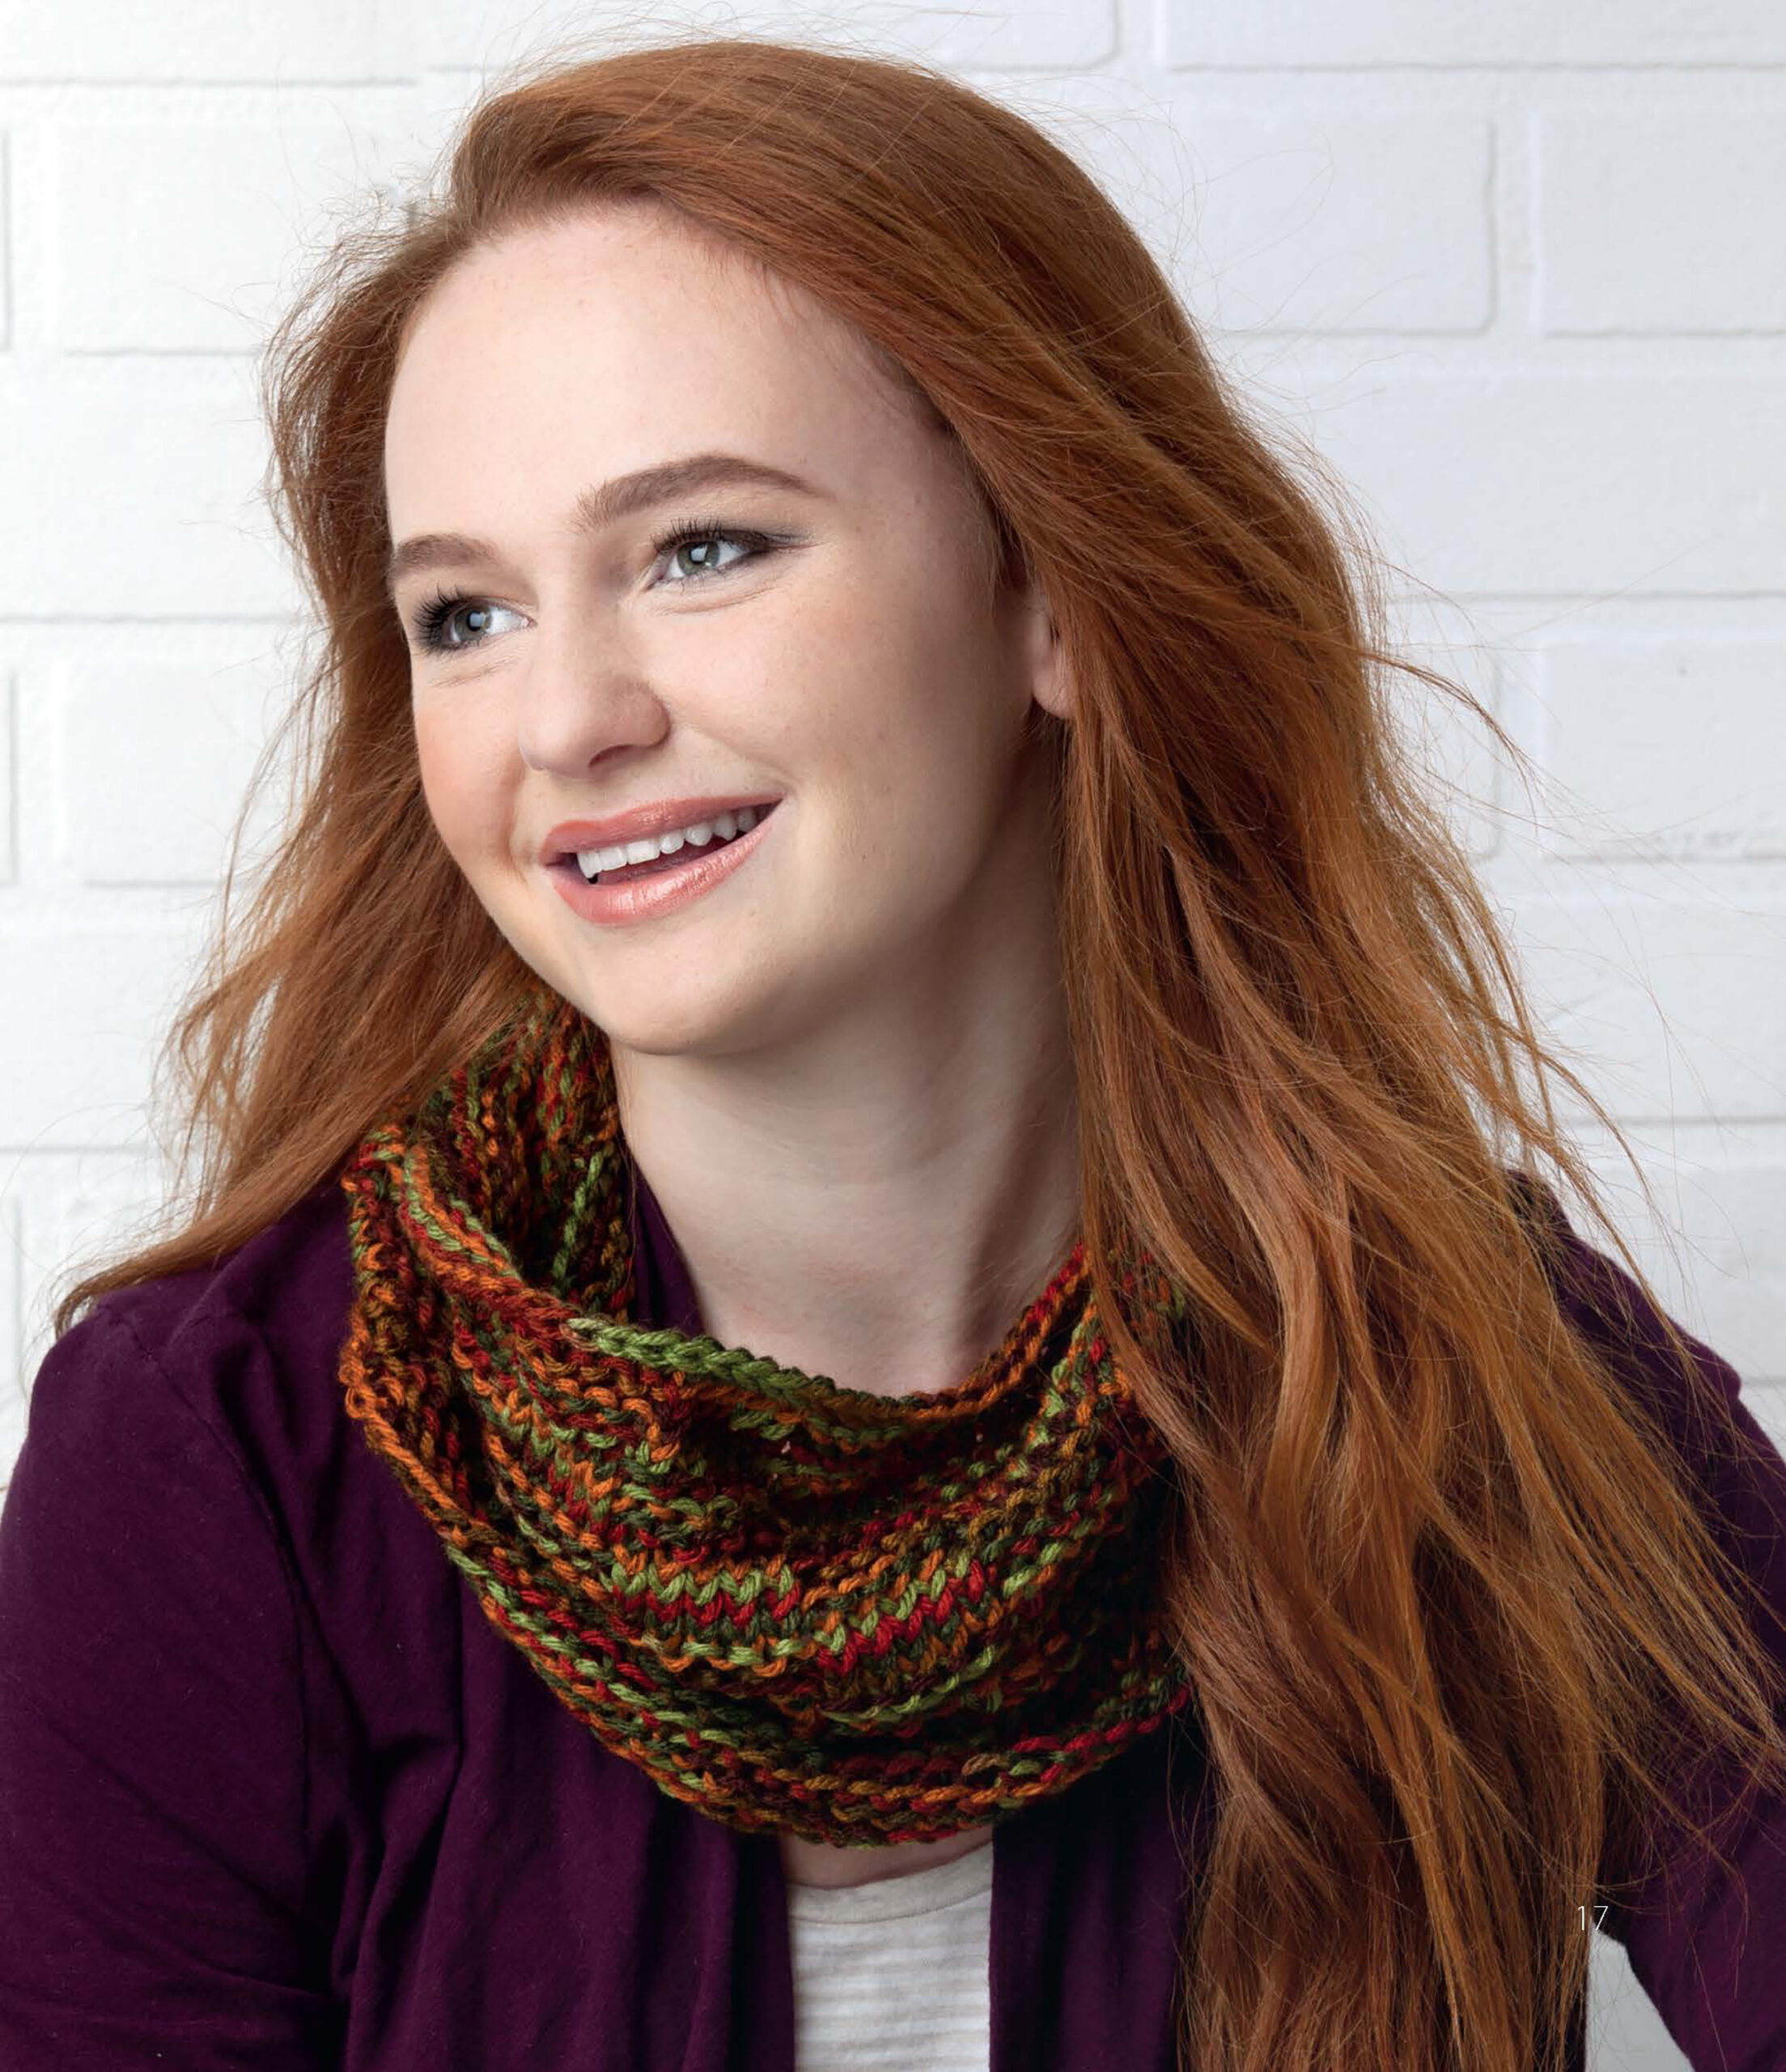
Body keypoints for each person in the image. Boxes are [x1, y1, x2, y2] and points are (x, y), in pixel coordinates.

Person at [2, 31, 1784, 2072]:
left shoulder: (1449, 1352)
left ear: (1055, 597)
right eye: (465, 615)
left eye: (703, 548)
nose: (565, 719)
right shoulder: (221, 1455)